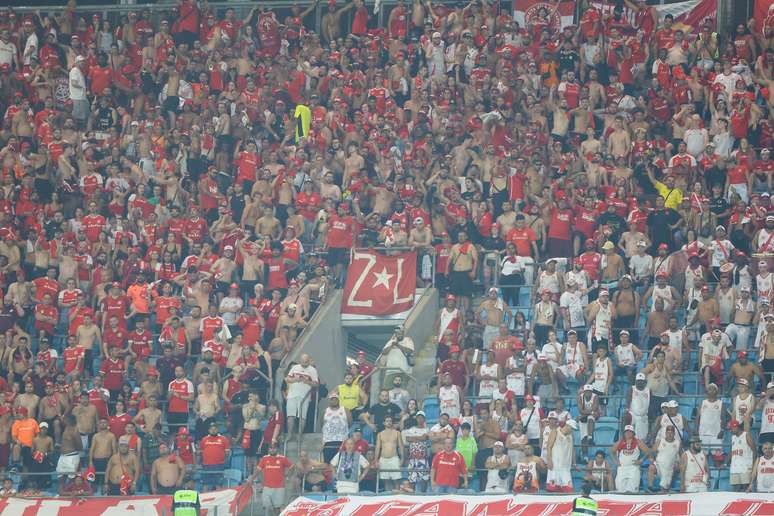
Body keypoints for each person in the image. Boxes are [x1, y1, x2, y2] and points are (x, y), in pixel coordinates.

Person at [284, 354, 318, 445]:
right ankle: (290, 434)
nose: (304, 364)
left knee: (302, 417)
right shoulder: (295, 367)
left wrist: (307, 381)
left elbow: (316, 384)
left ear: (308, 361)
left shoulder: (312, 370)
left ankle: (299, 435)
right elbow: (287, 379)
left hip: (304, 396)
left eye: (306, 362)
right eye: (302, 362)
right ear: (300, 361)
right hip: (292, 395)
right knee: (290, 416)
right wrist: (295, 379)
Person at [253, 442, 293, 516]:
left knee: (277, 507)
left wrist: (288, 476)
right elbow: (258, 470)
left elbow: (292, 467)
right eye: (270, 448)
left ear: (277, 449)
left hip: (279, 487)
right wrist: (251, 479)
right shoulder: (264, 458)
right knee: (267, 506)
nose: (272, 449)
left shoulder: (282, 458)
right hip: (267, 487)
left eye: (274, 448)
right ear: (268, 449)